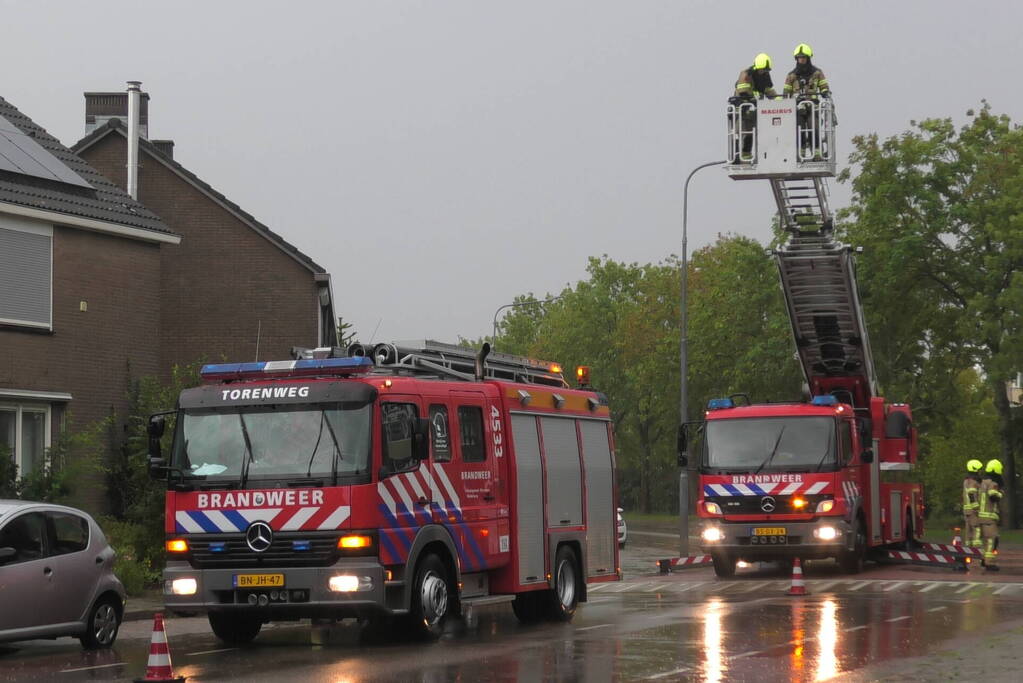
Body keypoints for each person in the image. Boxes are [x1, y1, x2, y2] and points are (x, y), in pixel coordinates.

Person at [785, 44, 832, 159]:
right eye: (799, 58)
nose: (801, 60)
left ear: (808, 58)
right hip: (798, 107)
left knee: (814, 127)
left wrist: (825, 92)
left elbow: (824, 87)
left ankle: (816, 153)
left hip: (813, 106)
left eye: (804, 58)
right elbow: (786, 93)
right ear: (796, 59)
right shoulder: (791, 75)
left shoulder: (817, 73)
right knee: (799, 128)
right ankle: (799, 154)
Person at [731, 53, 778, 162]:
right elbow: (744, 93)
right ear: (757, 68)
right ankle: (737, 156)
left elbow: (769, 91)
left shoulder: (765, 77)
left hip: (753, 111)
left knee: (750, 132)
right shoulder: (746, 75)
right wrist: (753, 100)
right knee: (739, 132)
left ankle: (746, 155)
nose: (764, 72)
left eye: (766, 70)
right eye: (762, 70)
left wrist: (782, 102)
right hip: (741, 110)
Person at [977, 459, 1004, 571]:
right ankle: (989, 563)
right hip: (989, 517)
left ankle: (983, 559)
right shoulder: (992, 484)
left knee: (987, 539)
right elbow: (993, 497)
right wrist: (1001, 493)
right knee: (991, 539)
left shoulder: (983, 482)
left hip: (981, 516)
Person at [962, 459, 983, 548]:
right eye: (979, 469)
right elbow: (972, 493)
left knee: (968, 529)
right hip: (973, 510)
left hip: (967, 510)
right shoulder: (974, 482)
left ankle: (968, 547)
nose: (980, 471)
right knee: (976, 528)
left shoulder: (966, 481)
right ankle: (976, 548)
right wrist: (976, 507)